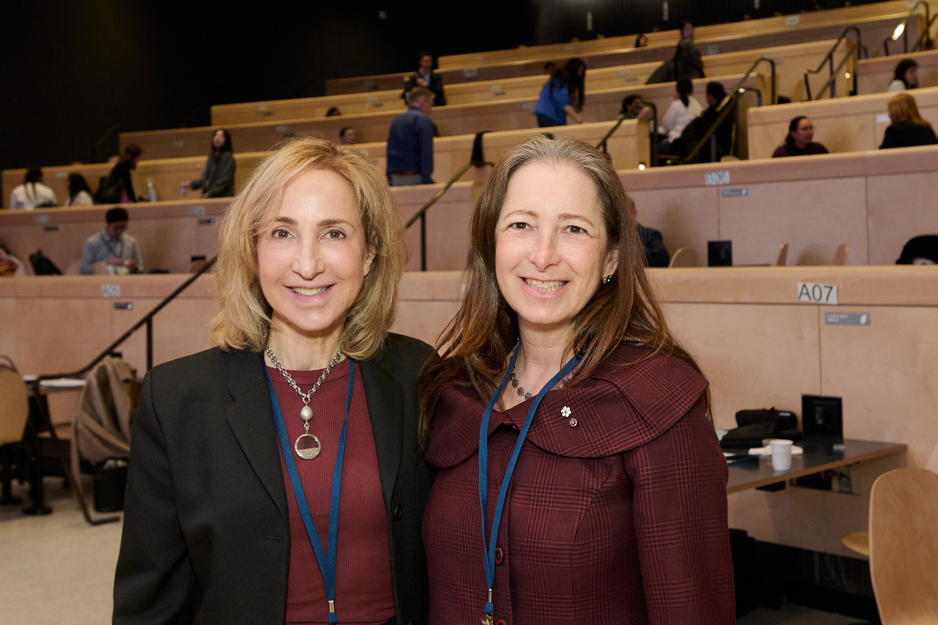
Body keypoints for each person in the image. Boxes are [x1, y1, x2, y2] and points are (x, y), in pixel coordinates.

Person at [113, 138, 434, 624]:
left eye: (334, 234)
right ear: (252, 249)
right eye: (283, 233)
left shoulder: (420, 376)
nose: (308, 264)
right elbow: (150, 605)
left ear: (369, 254)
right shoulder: (177, 399)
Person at [419, 135, 734, 624]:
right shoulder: (452, 391)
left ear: (610, 259)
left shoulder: (659, 401)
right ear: (491, 244)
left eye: (573, 229)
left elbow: (692, 608)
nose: (543, 255)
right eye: (521, 225)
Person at [386, 86, 435, 186]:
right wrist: (426, 180)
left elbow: (389, 150)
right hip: (414, 177)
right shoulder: (423, 120)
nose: (430, 108)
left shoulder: (396, 120)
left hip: (395, 177)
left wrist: (390, 178)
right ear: (422, 101)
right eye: (430, 103)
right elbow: (426, 152)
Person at [80, 207, 143, 275]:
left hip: (127, 280)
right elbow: (84, 269)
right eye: (116, 228)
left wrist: (134, 268)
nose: (119, 231)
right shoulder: (92, 242)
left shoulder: (131, 241)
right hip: (101, 282)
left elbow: (140, 269)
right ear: (107, 223)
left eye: (123, 228)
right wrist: (106, 264)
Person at [180, 129, 236, 197]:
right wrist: (191, 185)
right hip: (212, 197)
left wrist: (210, 193)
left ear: (226, 140)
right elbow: (207, 179)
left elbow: (225, 180)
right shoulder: (212, 155)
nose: (218, 138)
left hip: (222, 197)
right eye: (216, 135)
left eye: (222, 136)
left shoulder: (228, 157)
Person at [533, 58, 586, 127]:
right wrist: (580, 120)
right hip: (548, 115)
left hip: (549, 115)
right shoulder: (560, 80)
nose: (580, 74)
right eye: (579, 70)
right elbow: (564, 103)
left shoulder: (558, 78)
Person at [659, 77, 702, 155]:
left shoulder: (676, 104)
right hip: (693, 143)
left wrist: (670, 139)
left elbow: (667, 125)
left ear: (677, 90)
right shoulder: (697, 104)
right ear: (692, 90)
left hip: (678, 144)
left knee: (653, 150)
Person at [629, 196, 670, 267]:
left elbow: (662, 257)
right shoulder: (610, 237)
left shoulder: (650, 235)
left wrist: (628, 253)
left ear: (634, 214)